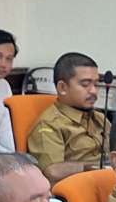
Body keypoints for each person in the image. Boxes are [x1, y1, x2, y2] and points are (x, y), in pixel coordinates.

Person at [27, 52, 110, 183]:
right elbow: (51, 171)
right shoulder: (50, 124)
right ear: (62, 87)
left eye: (96, 84)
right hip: (77, 190)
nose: (94, 91)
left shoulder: (99, 118)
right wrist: (93, 167)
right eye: (85, 84)